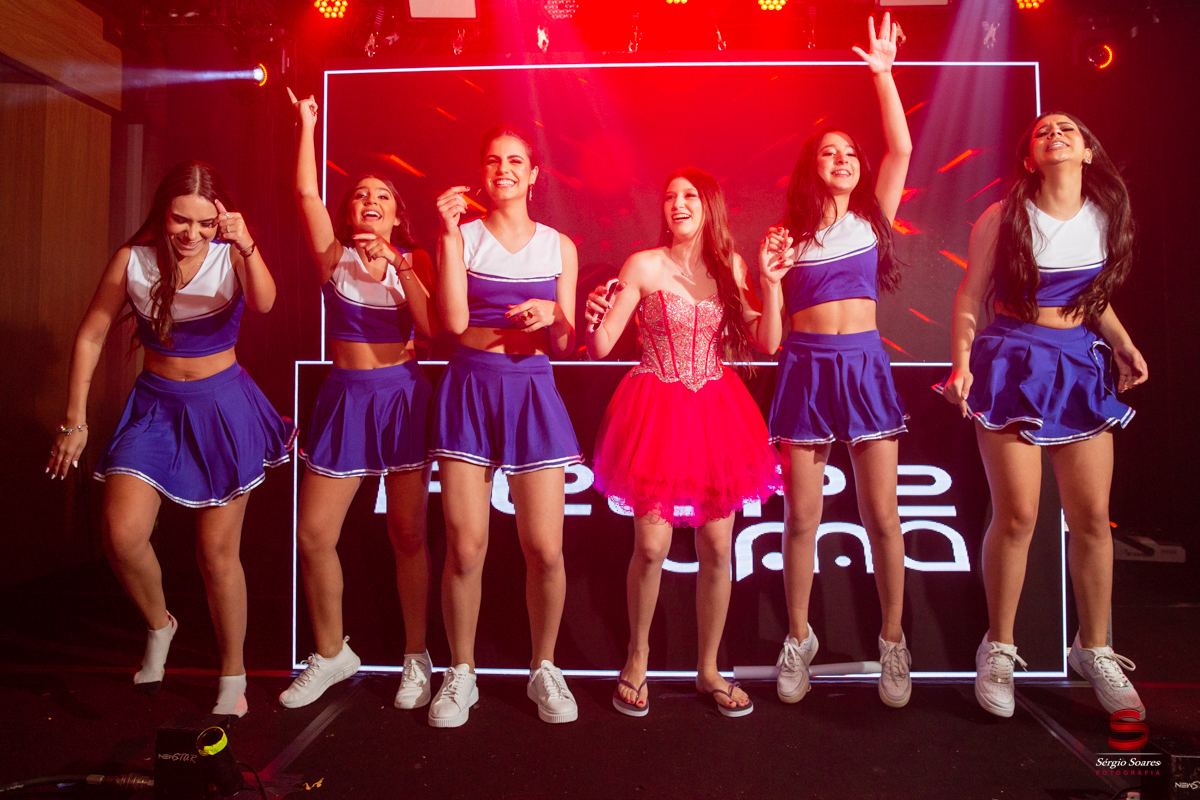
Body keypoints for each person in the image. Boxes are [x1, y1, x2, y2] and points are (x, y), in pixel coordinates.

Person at [46, 160, 293, 717]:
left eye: (205, 223)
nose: (192, 233)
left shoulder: (231, 254)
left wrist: (246, 244)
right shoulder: (131, 261)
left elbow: (266, 302)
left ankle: (233, 673)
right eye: (182, 220)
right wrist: (75, 419)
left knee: (216, 554)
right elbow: (91, 335)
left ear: (220, 220)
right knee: (121, 534)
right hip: (155, 408)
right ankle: (160, 625)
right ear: (162, 214)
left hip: (222, 408)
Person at [939, 111, 1147, 720]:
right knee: (1018, 515)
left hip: (1079, 362)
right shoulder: (1003, 216)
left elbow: (1093, 298)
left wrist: (1123, 342)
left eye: (1067, 130)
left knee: (1093, 518)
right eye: (1042, 132)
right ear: (1030, 158)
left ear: (1087, 151)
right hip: (1013, 360)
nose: (1055, 135)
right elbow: (970, 295)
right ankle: (998, 648)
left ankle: (1094, 648)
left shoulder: (1105, 216)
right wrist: (960, 364)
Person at [754, 13, 914, 708]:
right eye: (829, 152)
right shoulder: (783, 238)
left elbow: (901, 147)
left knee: (883, 518)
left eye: (850, 151)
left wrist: (882, 75)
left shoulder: (872, 218)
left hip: (866, 369)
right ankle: (799, 637)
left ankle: (893, 641)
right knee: (801, 520)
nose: (843, 158)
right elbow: (767, 337)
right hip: (805, 371)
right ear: (810, 167)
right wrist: (768, 282)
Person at [585, 168, 783, 718]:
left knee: (718, 547)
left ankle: (709, 669)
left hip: (716, 410)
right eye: (670, 196)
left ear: (709, 205)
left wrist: (770, 283)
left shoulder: (731, 267)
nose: (678, 203)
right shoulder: (643, 265)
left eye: (690, 195)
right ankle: (637, 657)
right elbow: (601, 346)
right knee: (651, 547)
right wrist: (593, 318)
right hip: (654, 408)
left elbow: (767, 341)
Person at [279, 89, 440, 711]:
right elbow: (304, 194)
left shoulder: (414, 259)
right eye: (360, 195)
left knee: (408, 534)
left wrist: (399, 265)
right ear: (349, 214)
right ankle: (331, 653)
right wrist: (306, 124)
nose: (370, 201)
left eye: (383, 197)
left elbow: (432, 326)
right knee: (314, 534)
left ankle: (416, 656)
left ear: (397, 215)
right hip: (346, 401)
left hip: (400, 398)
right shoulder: (333, 257)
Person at [429, 126, 581, 727]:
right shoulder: (462, 236)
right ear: (482, 172)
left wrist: (554, 313)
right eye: (493, 161)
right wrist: (446, 236)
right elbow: (451, 321)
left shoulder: (559, 245)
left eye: (516, 160)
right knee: (466, 547)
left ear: (534, 174)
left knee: (544, 548)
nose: (504, 169)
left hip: (531, 389)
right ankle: (460, 672)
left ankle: (544, 667)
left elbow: (566, 342)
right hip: (470, 386)